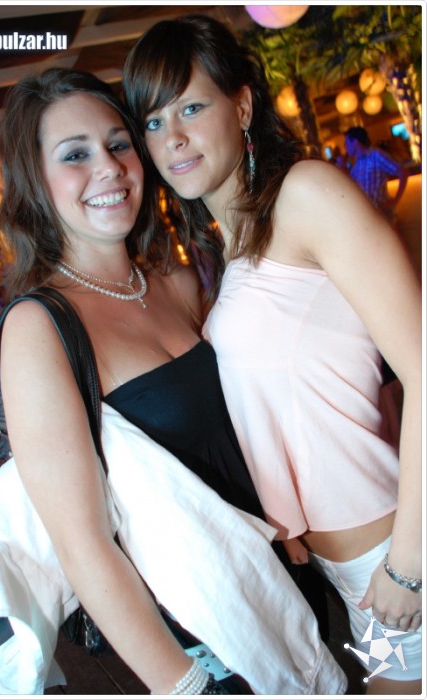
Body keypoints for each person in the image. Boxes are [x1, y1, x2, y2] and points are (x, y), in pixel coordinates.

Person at [0, 67, 346, 695]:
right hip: (204, 641)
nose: (109, 167)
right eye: (75, 155)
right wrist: (183, 685)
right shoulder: (39, 327)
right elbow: (84, 546)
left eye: (118, 144)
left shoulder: (176, 285)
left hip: (288, 584)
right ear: (35, 181)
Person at [123, 14, 422, 695]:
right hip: (347, 567)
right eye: (153, 121)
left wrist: (409, 563)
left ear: (242, 105)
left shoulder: (307, 194)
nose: (172, 138)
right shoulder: (231, 248)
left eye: (191, 108)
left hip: (393, 553)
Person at [344, 126, 408, 221]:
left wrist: (395, 200)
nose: (345, 147)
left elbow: (403, 173)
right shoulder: (356, 162)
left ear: (355, 142)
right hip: (368, 215)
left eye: (346, 143)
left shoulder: (376, 155)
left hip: (382, 214)